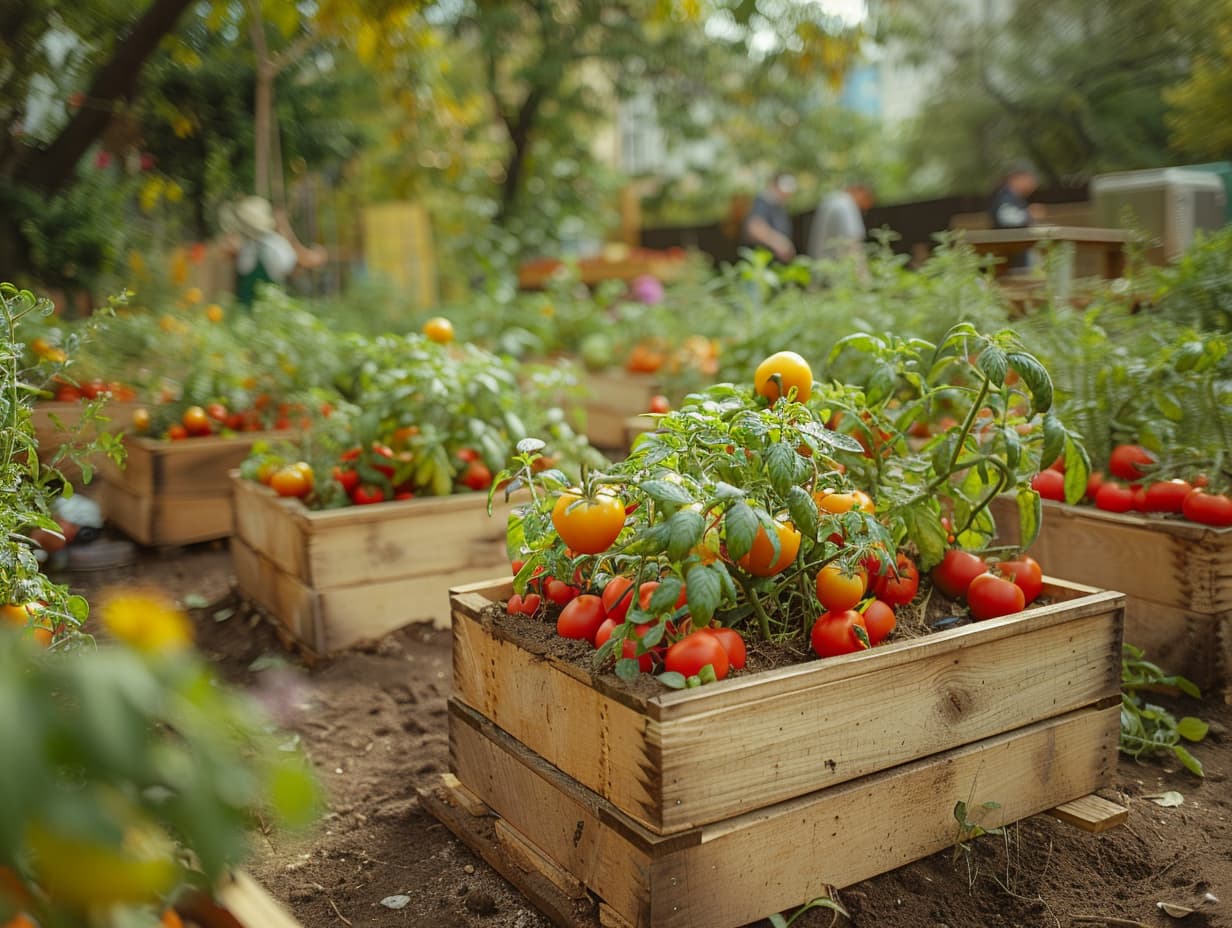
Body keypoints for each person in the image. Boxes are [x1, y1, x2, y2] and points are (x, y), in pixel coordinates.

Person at [219, 195, 324, 307]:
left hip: (246, 311)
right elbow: (295, 266)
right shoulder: (276, 244)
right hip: (268, 309)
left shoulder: (246, 247)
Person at [807, 182, 874, 262]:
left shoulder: (830, 200)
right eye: (865, 203)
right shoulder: (846, 204)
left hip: (820, 265)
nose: (864, 209)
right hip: (834, 269)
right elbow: (853, 243)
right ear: (861, 192)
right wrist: (863, 272)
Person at [740, 173, 798, 262]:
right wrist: (779, 243)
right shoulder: (763, 202)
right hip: (762, 264)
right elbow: (755, 227)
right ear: (773, 186)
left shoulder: (780, 206)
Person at [989, 161, 1046, 230]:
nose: (1033, 184)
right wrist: (1030, 214)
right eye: (1030, 179)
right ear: (1017, 178)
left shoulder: (1016, 197)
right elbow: (1005, 218)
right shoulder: (1006, 196)